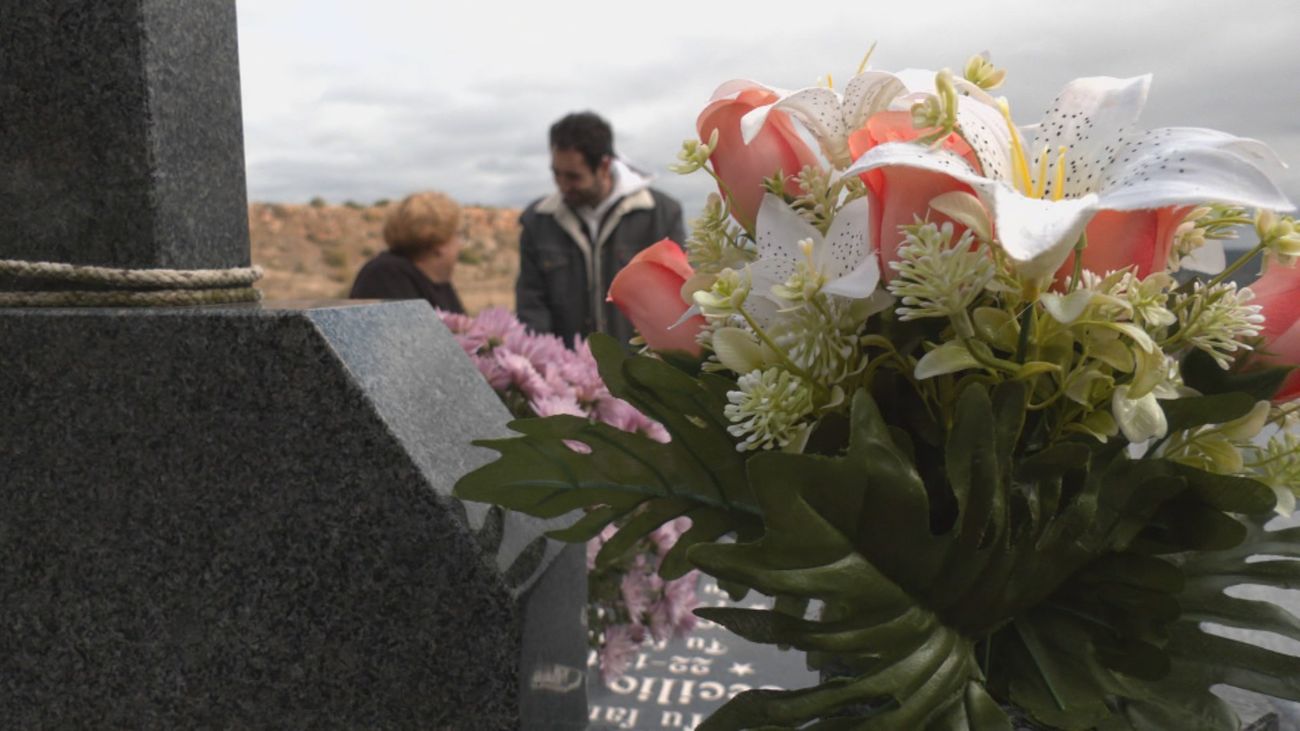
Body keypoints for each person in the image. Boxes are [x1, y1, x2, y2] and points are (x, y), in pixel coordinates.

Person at [516, 111, 685, 346]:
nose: (563, 185)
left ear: (604, 166)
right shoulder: (538, 222)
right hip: (563, 374)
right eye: (556, 174)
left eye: (573, 177)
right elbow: (532, 307)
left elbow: (679, 302)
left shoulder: (661, 215)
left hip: (641, 374)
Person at [350, 191, 465, 314]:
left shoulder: (438, 283)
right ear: (440, 243)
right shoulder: (386, 275)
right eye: (456, 235)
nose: (460, 244)